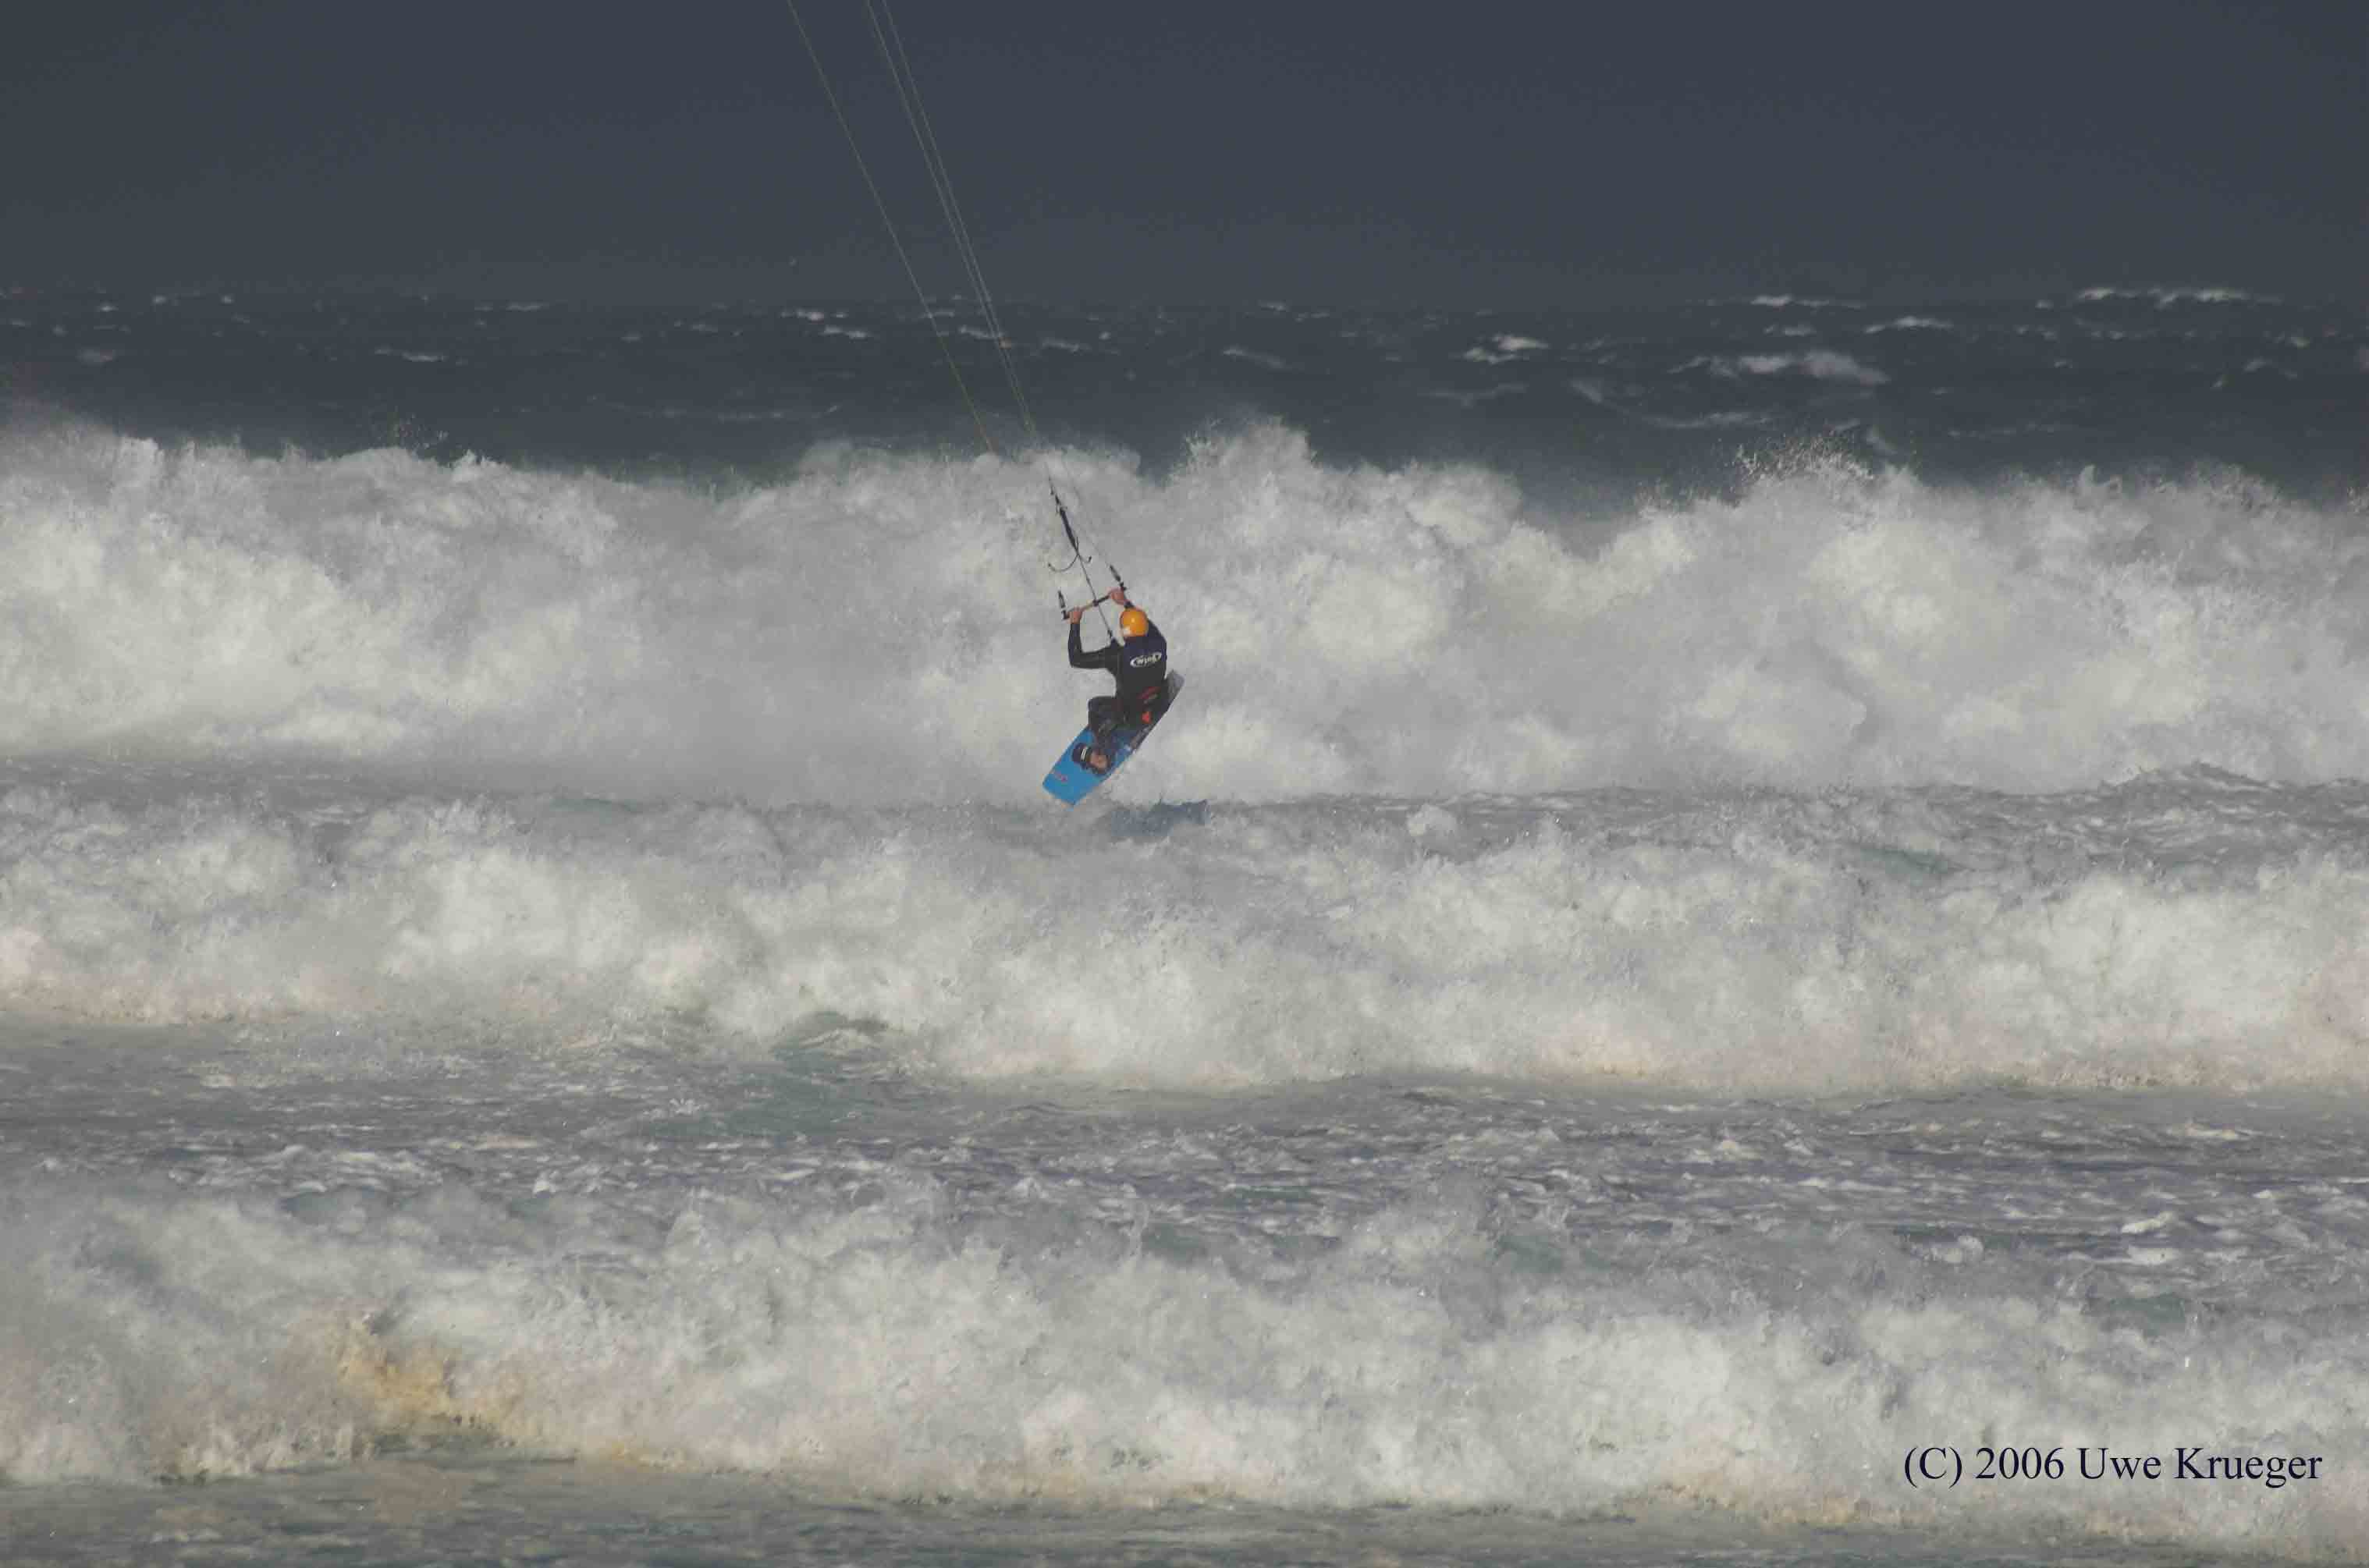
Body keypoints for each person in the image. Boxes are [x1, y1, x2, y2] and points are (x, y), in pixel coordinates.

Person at [1066, 585, 1171, 774]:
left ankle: (1103, 755)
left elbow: (1076, 659)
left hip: (1131, 716)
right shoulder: (1160, 643)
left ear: (1124, 631)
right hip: (1158, 702)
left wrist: (1075, 623)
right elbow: (1146, 625)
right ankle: (1141, 715)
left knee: (1094, 707)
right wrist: (1125, 602)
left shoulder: (1116, 657)